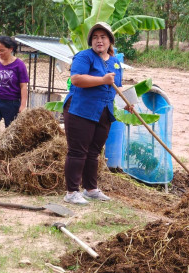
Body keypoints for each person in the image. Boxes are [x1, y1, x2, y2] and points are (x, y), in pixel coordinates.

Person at [63, 22, 129, 204]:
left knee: (94, 152)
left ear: (110, 41)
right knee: (78, 151)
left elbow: (118, 86)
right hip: (81, 110)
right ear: (91, 40)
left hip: (103, 111)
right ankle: (71, 192)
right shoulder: (84, 57)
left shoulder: (115, 63)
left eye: (103, 37)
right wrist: (102, 79)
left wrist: (127, 102)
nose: (99, 41)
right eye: (95, 37)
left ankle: (90, 189)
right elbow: (76, 79)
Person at [0, 36, 29, 141]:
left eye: (2, 50)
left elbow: (23, 86)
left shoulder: (19, 65)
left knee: (11, 135)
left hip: (12, 103)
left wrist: (23, 106)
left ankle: (10, 156)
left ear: (11, 49)